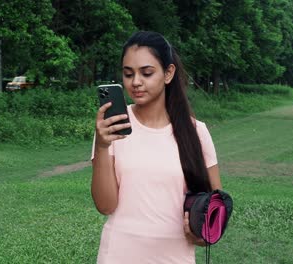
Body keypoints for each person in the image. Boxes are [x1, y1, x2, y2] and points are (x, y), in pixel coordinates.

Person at [91, 31, 222, 263]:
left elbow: (213, 217)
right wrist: (102, 147)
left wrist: (201, 235)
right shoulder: (112, 128)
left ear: (168, 73)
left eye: (147, 73)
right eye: (128, 74)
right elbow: (105, 205)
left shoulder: (196, 132)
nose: (136, 82)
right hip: (118, 255)